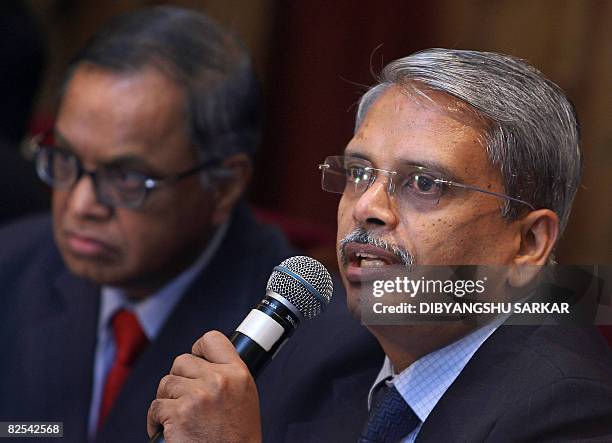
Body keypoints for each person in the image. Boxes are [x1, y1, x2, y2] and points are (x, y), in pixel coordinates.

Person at [147, 48, 612, 442]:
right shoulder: (319, 337)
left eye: (425, 183)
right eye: (359, 173)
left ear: (528, 243)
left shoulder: (571, 409)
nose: (367, 206)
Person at [0, 6, 298, 443]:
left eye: (125, 178)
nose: (81, 204)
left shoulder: (295, 338)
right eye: (64, 159)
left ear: (224, 185)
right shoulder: (10, 266)